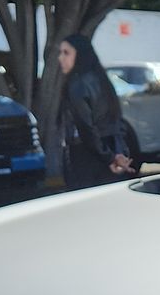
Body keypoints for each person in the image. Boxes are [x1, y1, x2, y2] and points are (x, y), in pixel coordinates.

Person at [53, 35, 138, 190]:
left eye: (66, 53)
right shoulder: (101, 80)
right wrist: (117, 154)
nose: (60, 58)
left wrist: (109, 157)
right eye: (61, 52)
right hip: (109, 150)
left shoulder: (77, 85)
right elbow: (116, 122)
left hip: (87, 156)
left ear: (80, 54)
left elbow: (85, 128)